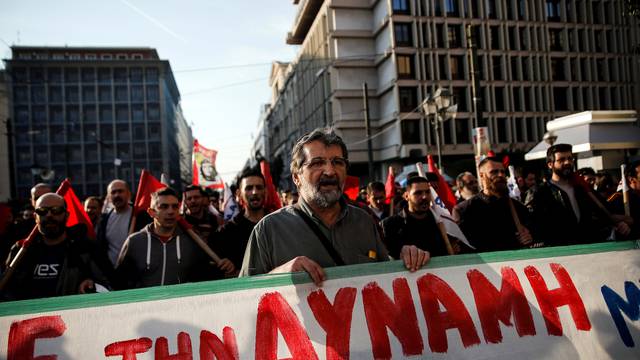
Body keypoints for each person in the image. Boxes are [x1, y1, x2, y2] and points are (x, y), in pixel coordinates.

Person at [239, 128, 430, 286]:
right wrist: (281, 273)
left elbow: (386, 281)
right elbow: (241, 297)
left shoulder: (364, 221)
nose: (330, 171)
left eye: (337, 162)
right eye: (317, 163)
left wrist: (405, 259)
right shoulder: (268, 230)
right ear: (296, 177)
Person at [116, 187, 232, 289]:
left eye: (175, 207)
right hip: (142, 310)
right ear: (152, 212)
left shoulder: (191, 242)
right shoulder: (135, 242)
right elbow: (119, 282)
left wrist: (224, 267)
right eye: (164, 207)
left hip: (179, 309)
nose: (170, 211)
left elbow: (204, 275)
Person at [2, 193, 106, 300]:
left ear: (67, 215)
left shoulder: (86, 249)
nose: (49, 215)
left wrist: (93, 285)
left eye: (56, 210)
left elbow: (108, 285)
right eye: (42, 211)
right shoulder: (21, 250)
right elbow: (8, 290)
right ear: (35, 217)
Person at [527, 144, 629, 246]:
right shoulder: (542, 193)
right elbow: (538, 227)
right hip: (560, 251)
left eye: (570, 158)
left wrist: (620, 224)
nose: (567, 162)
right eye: (561, 160)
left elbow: (603, 212)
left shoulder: (582, 189)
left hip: (589, 247)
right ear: (550, 164)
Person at [454, 157, 533, 252]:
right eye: (494, 172)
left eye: (502, 172)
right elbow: (461, 249)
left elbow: (536, 237)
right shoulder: (464, 210)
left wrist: (528, 237)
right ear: (481, 176)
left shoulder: (518, 207)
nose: (500, 175)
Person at [381, 176, 451, 258]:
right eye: (418, 193)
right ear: (406, 196)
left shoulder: (440, 221)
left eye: (427, 192)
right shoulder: (390, 225)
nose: (424, 197)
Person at [218, 170, 267, 269]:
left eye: (259, 187)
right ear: (239, 193)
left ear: (265, 191)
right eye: (249, 188)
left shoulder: (277, 223)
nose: (254, 192)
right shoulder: (227, 231)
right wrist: (226, 264)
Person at [97, 180, 133, 267]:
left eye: (120, 191)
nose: (117, 195)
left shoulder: (138, 216)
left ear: (128, 194)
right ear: (109, 197)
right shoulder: (104, 219)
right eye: (113, 192)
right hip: (111, 272)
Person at [608, 160, 640, 240]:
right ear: (632, 180)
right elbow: (605, 219)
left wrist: (634, 221)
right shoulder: (617, 199)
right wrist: (617, 223)